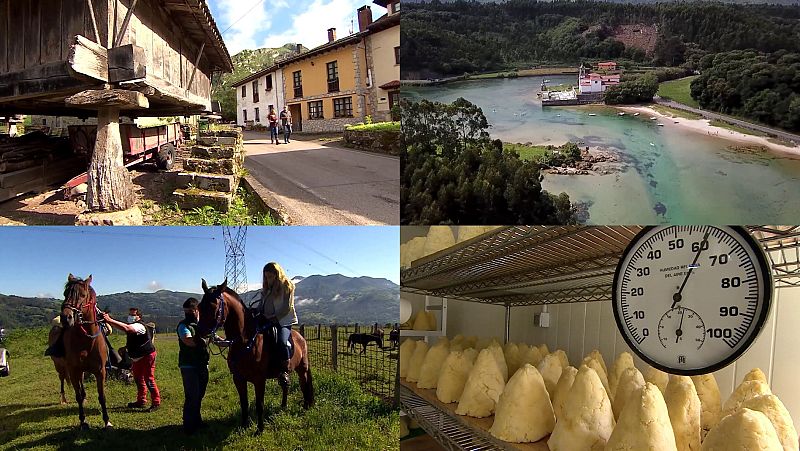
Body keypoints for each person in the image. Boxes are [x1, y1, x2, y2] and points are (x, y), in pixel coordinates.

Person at [103, 308, 161, 411]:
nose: (130, 316)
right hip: (136, 358)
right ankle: (141, 401)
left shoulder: (139, 326)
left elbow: (127, 328)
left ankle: (156, 402)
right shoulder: (135, 326)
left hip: (146, 356)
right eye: (129, 314)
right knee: (138, 379)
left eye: (133, 315)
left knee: (148, 379)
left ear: (139, 317)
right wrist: (126, 348)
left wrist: (109, 320)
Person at [257, 262, 298, 386]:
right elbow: (261, 304)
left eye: (270, 277)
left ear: (277, 274)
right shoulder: (266, 288)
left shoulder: (287, 286)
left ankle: (284, 370)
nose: (268, 279)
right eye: (266, 277)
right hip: (266, 319)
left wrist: (275, 317)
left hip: (282, 321)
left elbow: (287, 307)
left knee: (281, 341)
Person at [177, 298, 210, 435]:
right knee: (192, 396)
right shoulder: (183, 326)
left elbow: (216, 339)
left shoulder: (203, 325)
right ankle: (189, 426)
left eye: (190, 312)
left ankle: (197, 420)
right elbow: (188, 341)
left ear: (197, 311)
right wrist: (203, 339)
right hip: (189, 366)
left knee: (199, 395)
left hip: (202, 364)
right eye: (186, 312)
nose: (188, 315)